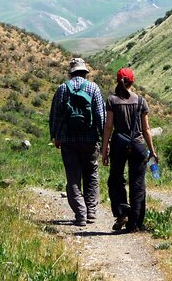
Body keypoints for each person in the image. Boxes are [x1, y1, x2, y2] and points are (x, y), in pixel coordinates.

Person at [49, 57, 106, 227]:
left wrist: (55, 136)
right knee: (91, 174)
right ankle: (91, 212)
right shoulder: (93, 88)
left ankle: (80, 214)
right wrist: (104, 140)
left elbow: (56, 115)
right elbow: (100, 116)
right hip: (90, 140)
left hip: (68, 140)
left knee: (73, 177)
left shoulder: (62, 89)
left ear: (71, 72)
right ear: (85, 72)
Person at [101, 67, 157, 233]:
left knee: (116, 180)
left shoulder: (112, 100)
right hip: (138, 145)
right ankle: (136, 223)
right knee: (137, 184)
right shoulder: (140, 101)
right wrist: (152, 151)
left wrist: (105, 149)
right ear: (132, 82)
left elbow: (109, 126)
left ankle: (122, 211)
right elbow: (146, 129)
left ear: (117, 81)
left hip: (119, 144)